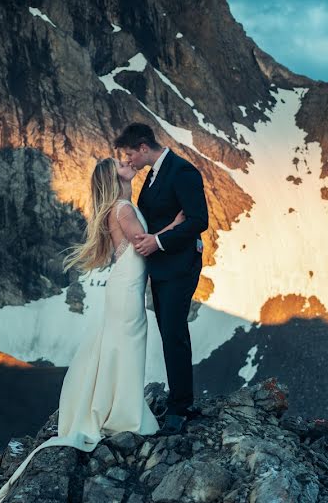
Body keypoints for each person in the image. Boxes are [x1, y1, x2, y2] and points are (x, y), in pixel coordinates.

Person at [0, 157, 185, 502]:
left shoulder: (120, 205)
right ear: (115, 177)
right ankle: (124, 412)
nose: (127, 161)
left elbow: (135, 231)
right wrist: (176, 226)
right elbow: (143, 244)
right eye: (120, 163)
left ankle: (116, 404)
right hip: (126, 291)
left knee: (120, 347)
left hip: (124, 288)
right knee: (126, 347)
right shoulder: (123, 209)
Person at [115, 123, 209, 436]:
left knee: (173, 332)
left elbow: (199, 220)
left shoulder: (182, 171)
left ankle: (180, 408)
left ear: (143, 146)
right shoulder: (154, 174)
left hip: (180, 264)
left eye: (130, 153)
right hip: (162, 267)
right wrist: (127, 184)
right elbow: (144, 216)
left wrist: (159, 241)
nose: (128, 160)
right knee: (169, 331)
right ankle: (180, 401)